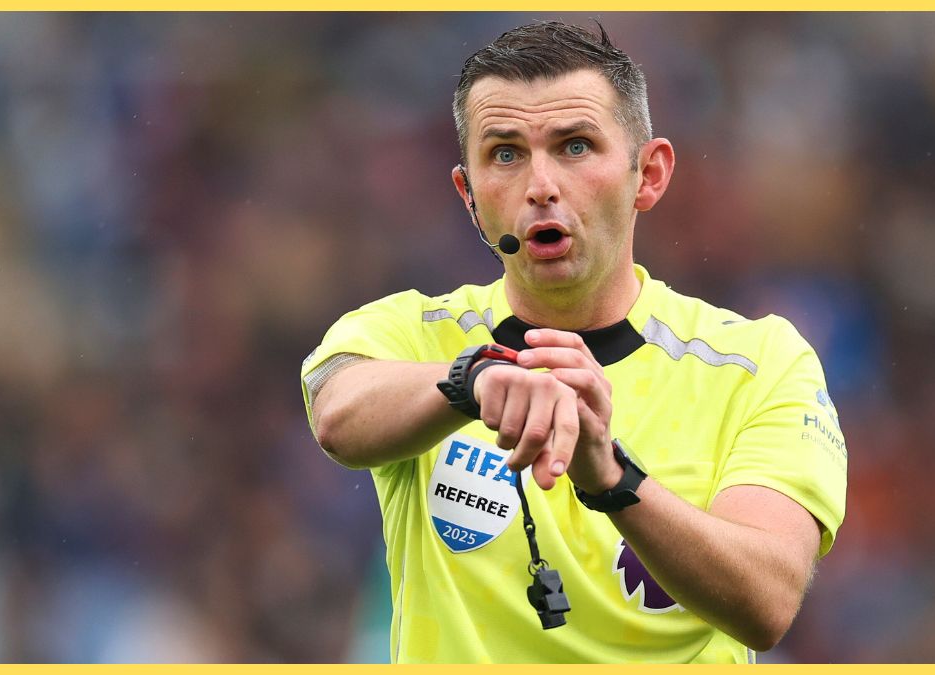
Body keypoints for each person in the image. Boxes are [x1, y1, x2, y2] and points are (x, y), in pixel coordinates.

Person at [300, 20, 847, 663]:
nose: (541, 186)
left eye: (576, 146)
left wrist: (611, 476)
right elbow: (336, 408)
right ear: (469, 197)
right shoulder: (413, 333)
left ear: (648, 174)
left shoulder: (758, 364)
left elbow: (767, 600)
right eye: (504, 153)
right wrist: (470, 379)